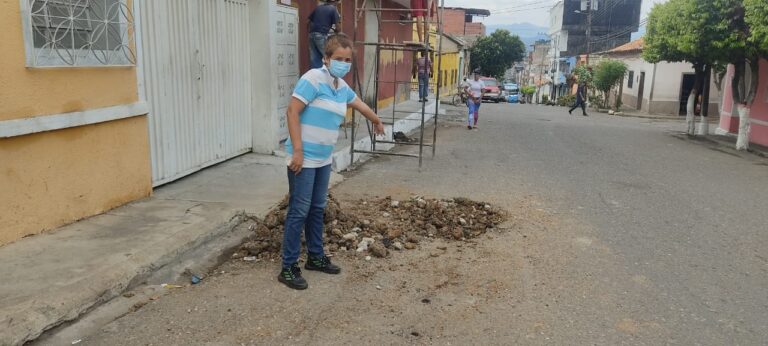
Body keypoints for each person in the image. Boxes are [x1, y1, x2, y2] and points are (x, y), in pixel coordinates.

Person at [281, 34, 385, 290]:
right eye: (338, 58)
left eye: (347, 60)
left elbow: (359, 104)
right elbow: (292, 111)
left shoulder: (340, 87)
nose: (343, 63)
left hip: (323, 159)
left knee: (317, 209)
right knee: (299, 210)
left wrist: (376, 120)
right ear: (326, 58)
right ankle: (288, 267)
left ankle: (315, 257)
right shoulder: (313, 79)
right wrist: (297, 150)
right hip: (302, 159)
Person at [308, 0, 340, 69]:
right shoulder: (333, 9)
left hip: (311, 34)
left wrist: (310, 32)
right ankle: (333, 75)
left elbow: (308, 22)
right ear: (335, 2)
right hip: (321, 35)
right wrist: (338, 33)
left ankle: (316, 77)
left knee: (315, 59)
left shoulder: (318, 8)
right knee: (329, 56)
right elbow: (338, 26)